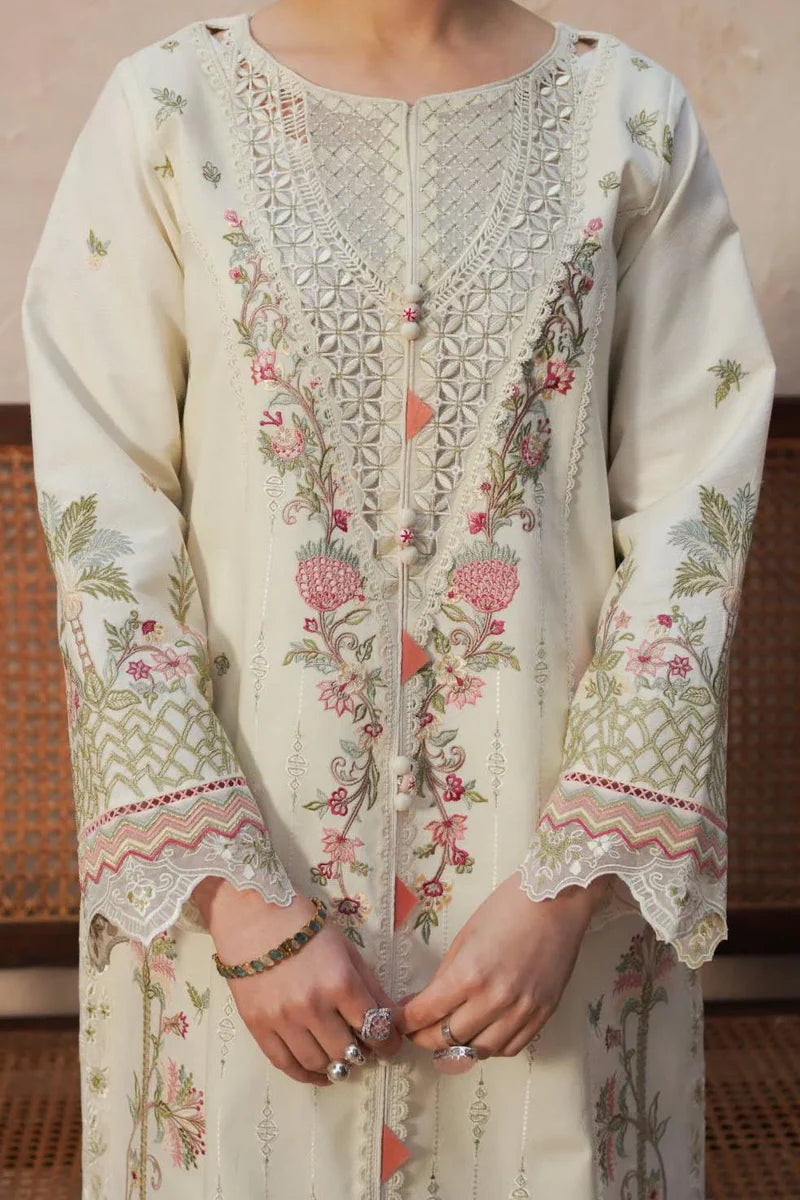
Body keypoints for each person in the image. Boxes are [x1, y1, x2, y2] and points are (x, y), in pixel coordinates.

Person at [21, 1, 775, 1196]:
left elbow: (694, 514)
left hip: (543, 919)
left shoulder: (627, 118)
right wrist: (237, 901)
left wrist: (567, 887)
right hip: (242, 912)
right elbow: (102, 512)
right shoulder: (169, 111)